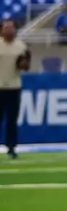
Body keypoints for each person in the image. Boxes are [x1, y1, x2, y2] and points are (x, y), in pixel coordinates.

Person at [0, 17, 29, 158]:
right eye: (6, 28)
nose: (8, 30)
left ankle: (11, 147)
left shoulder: (21, 46)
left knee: (12, 119)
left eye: (10, 28)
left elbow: (26, 65)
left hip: (14, 86)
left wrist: (24, 64)